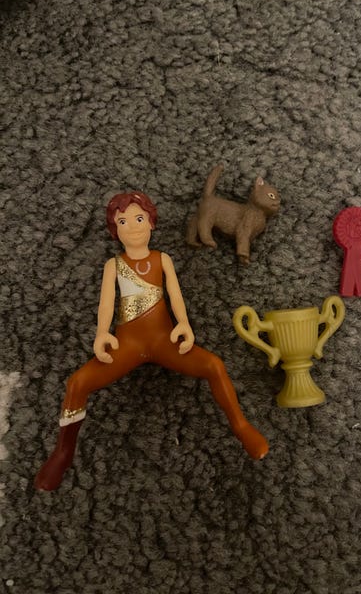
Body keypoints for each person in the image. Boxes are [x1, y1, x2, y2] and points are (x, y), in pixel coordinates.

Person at [35, 192, 269, 490]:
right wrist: (102, 333)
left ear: (151, 223)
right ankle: (63, 451)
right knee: (77, 383)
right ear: (115, 229)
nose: (133, 226)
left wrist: (184, 324)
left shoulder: (162, 259)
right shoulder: (113, 265)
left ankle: (242, 426)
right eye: (123, 221)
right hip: (127, 345)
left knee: (213, 365)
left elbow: (175, 295)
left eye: (139, 218)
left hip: (164, 341)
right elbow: (106, 303)